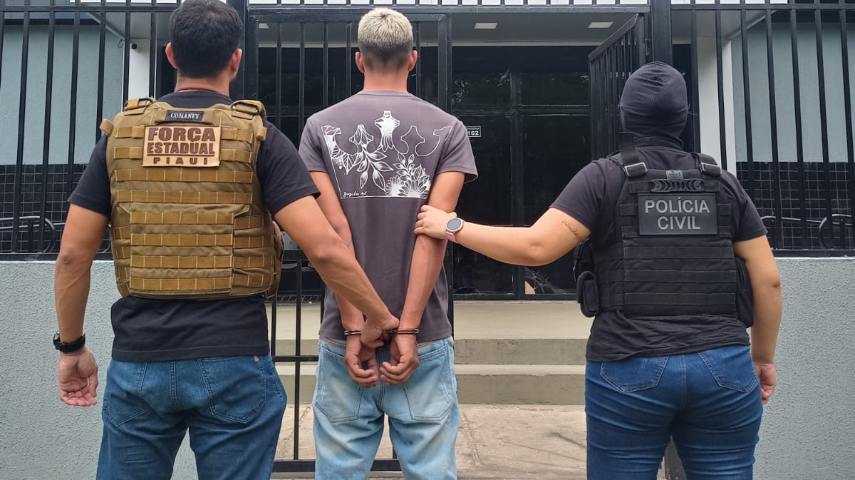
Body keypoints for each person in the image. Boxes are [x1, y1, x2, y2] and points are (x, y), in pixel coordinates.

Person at [54, 1, 398, 479]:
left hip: (140, 359)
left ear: (171, 55)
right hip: (234, 357)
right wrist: (380, 317)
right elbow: (322, 246)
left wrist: (72, 347)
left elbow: (73, 255)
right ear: (235, 59)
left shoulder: (121, 138)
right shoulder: (258, 137)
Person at [416, 61, 781, 480]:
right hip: (724, 365)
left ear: (625, 116)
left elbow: (537, 247)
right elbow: (768, 280)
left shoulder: (606, 178)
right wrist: (762, 358)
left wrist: (453, 226)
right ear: (683, 117)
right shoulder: (723, 184)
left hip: (630, 362)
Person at [298, 8, 477, 479]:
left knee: (339, 471)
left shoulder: (319, 128)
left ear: (359, 60)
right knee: (431, 469)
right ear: (413, 59)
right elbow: (434, 232)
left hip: (345, 334)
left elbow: (333, 234)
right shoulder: (449, 129)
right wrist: (408, 330)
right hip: (423, 334)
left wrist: (355, 328)